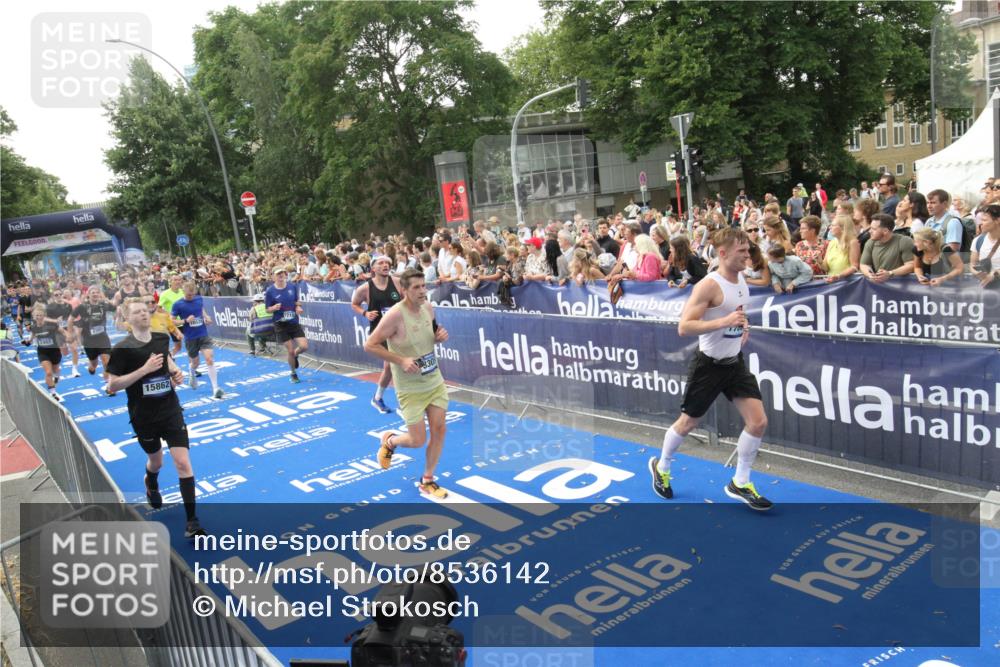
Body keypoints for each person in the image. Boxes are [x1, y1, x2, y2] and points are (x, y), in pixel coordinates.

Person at [649, 227, 772, 511]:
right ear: (723, 253)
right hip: (709, 365)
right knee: (688, 423)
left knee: (758, 422)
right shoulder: (708, 284)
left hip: (734, 364)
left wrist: (742, 325)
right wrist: (723, 322)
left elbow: (735, 313)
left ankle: (740, 482)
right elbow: (684, 327)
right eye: (741, 251)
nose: (747, 255)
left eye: (748, 250)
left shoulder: (741, 278)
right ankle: (662, 466)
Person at [107, 299, 205, 539]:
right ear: (128, 319)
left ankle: (192, 521)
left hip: (170, 409)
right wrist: (144, 370)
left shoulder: (161, 338)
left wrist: (175, 372)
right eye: (137, 312)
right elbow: (112, 386)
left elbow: (166, 360)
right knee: (156, 462)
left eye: (145, 310)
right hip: (144, 416)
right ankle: (151, 481)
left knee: (182, 462)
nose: (143, 314)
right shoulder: (122, 349)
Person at [364, 268, 451, 499]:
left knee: (440, 429)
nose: (423, 291)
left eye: (424, 286)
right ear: (404, 290)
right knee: (417, 440)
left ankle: (428, 479)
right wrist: (400, 360)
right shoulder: (394, 315)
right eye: (416, 287)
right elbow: (370, 345)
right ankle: (391, 441)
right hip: (410, 388)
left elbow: (431, 335)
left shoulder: (429, 308)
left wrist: (439, 337)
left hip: (434, 381)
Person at [352, 256, 403, 414]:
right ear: (373, 268)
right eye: (381, 263)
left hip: (398, 329)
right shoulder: (365, 288)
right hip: (380, 332)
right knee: (393, 365)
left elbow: (405, 300)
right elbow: (354, 304)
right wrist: (365, 313)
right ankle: (403, 402)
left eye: (387, 262)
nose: (385, 265)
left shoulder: (397, 282)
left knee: (390, 366)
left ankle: (378, 398)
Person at [171, 281, 222, 399]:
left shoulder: (199, 299)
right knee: (195, 363)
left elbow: (201, 309)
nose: (191, 297)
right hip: (190, 338)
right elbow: (171, 320)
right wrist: (185, 321)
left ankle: (216, 388)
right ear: (183, 292)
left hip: (203, 334)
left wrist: (207, 317)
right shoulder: (178, 304)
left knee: (209, 359)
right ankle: (191, 371)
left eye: (193, 294)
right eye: (189, 295)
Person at [265, 267, 308, 383]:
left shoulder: (292, 287)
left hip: (293, 321)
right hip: (280, 324)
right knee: (289, 350)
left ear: (285, 275)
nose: (280, 276)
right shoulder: (270, 291)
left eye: (282, 273)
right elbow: (267, 310)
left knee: (304, 346)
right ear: (273, 276)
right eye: (278, 274)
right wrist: (273, 308)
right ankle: (293, 373)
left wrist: (298, 307)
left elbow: (297, 301)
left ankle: (295, 355)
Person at [71, 286, 114, 393]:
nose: (95, 294)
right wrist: (69, 333)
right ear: (88, 295)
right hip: (89, 341)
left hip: (103, 338)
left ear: (99, 294)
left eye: (97, 292)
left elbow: (115, 307)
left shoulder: (103, 305)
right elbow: (70, 319)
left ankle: (109, 386)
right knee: (94, 363)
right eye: (93, 292)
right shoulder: (82, 307)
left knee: (106, 361)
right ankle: (91, 367)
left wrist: (106, 299)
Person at [860, 214, 915, 282]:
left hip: (902, 286)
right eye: (870, 228)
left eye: (874, 229)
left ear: (885, 231)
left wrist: (890, 273)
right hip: (880, 286)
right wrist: (870, 275)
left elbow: (911, 265)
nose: (869, 231)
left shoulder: (904, 241)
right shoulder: (870, 242)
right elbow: (864, 264)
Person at [27, 303, 65, 402]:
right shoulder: (34, 327)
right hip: (42, 352)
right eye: (36, 315)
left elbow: (62, 332)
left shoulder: (51, 325)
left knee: (55, 369)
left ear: (44, 316)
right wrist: (27, 342)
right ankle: (53, 393)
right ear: (34, 317)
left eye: (40, 315)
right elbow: (31, 339)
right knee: (48, 372)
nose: (39, 317)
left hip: (54, 351)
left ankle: (56, 376)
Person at [971, 204, 1000, 288]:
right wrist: (978, 273)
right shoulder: (978, 240)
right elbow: (973, 264)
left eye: (984, 220)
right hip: (986, 289)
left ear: (997, 220)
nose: (980, 223)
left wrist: (994, 274)